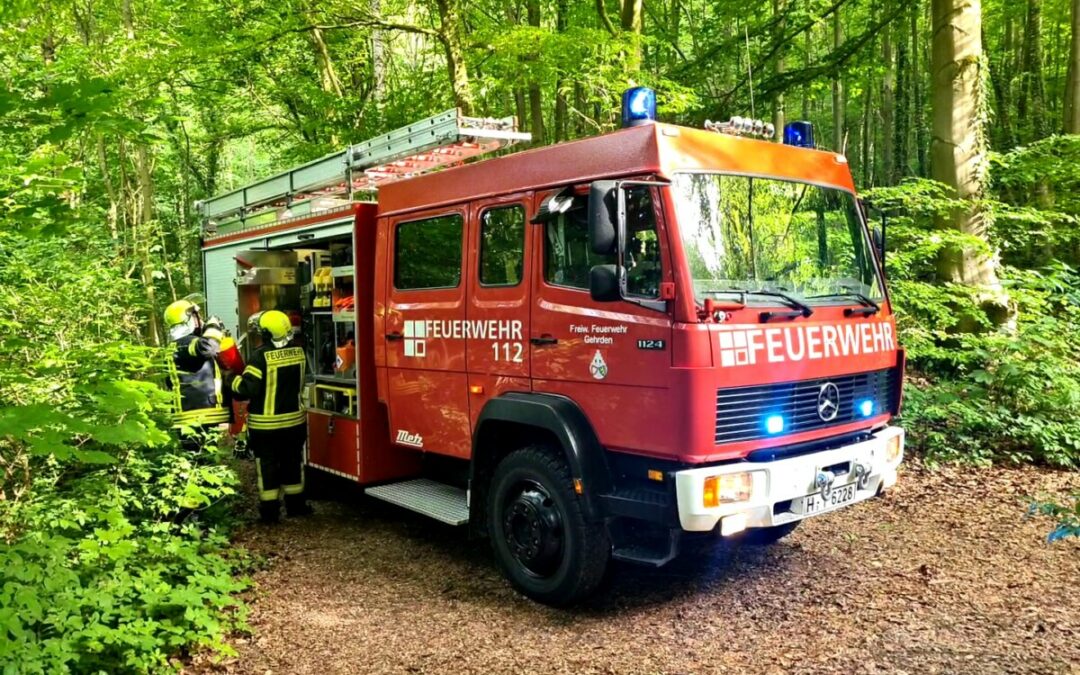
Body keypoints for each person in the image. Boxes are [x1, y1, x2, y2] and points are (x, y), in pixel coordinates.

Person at [229, 310, 310, 523]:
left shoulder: (260, 356)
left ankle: (270, 512)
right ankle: (296, 506)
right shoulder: (299, 351)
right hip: (295, 423)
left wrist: (231, 380)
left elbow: (247, 389)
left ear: (267, 333)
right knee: (293, 461)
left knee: (267, 465)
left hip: (266, 426)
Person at [163, 298, 230, 453]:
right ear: (188, 320)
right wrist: (213, 326)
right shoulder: (185, 343)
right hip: (196, 415)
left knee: (202, 459)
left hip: (193, 415)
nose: (200, 320)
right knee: (201, 460)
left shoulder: (176, 346)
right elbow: (207, 348)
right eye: (196, 316)